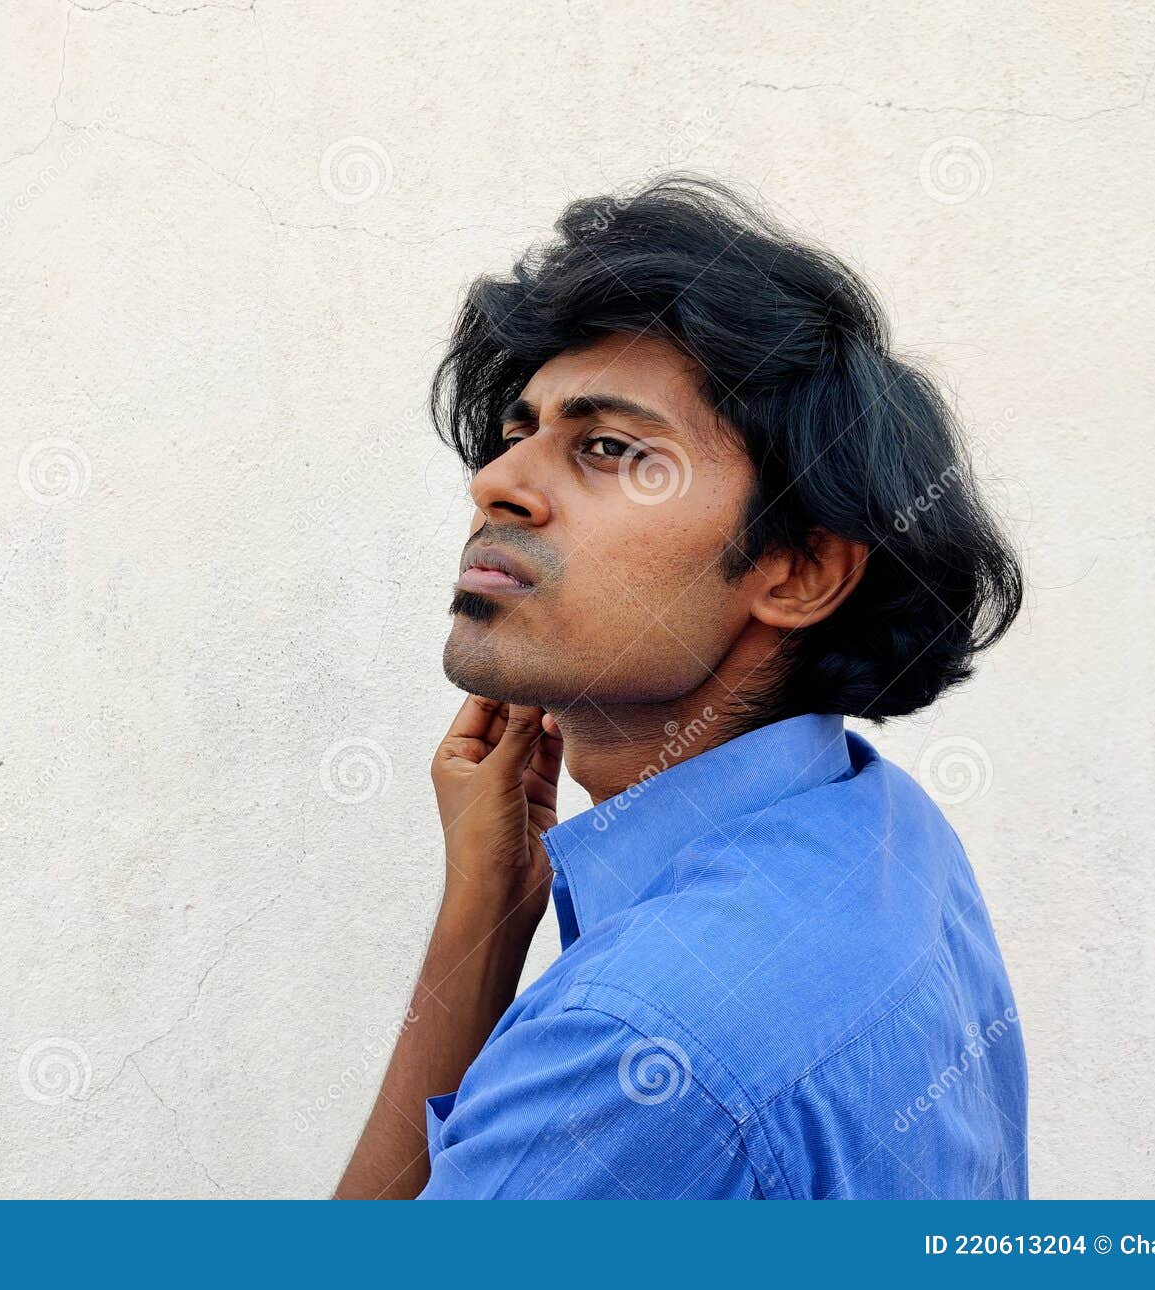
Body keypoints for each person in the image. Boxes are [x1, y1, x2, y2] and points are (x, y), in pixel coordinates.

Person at [335, 174, 1027, 1199]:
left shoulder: (628, 1056)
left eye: (609, 449)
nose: (499, 482)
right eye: (519, 431)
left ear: (795, 572)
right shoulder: (878, 826)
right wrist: (484, 911)